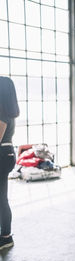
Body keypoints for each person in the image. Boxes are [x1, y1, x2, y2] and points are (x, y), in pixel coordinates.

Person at [0, 77, 19, 250]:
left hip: (2, 155)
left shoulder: (2, 111)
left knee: (1, 199)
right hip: (6, 154)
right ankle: (5, 235)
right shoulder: (8, 110)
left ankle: (5, 237)